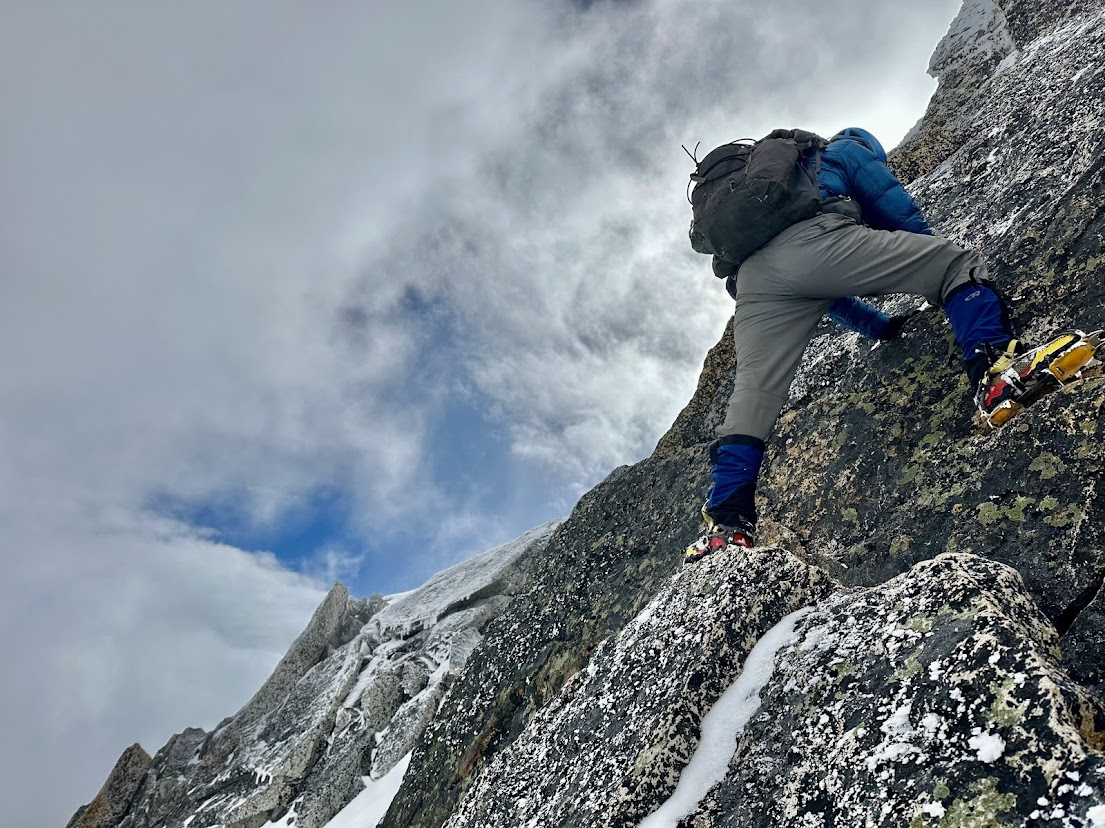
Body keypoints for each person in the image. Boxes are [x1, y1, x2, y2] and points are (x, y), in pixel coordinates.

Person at [685, 127, 1021, 564]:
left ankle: (727, 523)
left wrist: (881, 329)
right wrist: (931, 267)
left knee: (754, 395)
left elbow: (825, 293)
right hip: (814, 242)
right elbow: (897, 214)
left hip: (753, 282)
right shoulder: (845, 151)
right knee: (955, 264)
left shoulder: (780, 190)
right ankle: (998, 374)